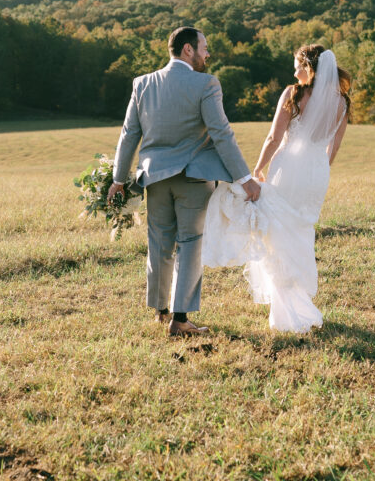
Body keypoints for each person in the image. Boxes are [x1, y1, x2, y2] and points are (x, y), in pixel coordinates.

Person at [107, 27, 261, 337]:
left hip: (154, 178)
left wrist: (119, 180)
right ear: (188, 50)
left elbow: (129, 135)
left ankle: (161, 312)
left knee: (160, 243)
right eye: (205, 47)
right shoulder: (206, 84)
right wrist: (245, 179)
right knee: (191, 244)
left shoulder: (143, 84)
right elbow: (221, 133)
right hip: (194, 178)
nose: (208, 54)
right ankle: (180, 319)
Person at [202, 45, 350, 333]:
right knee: (300, 232)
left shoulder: (293, 93)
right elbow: (334, 147)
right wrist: (320, 168)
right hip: (316, 174)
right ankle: (295, 302)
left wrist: (257, 168)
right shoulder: (342, 103)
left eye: (297, 66)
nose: (294, 72)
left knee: (277, 235)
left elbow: (273, 137)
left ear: (309, 68)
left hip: (288, 169)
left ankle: (286, 312)